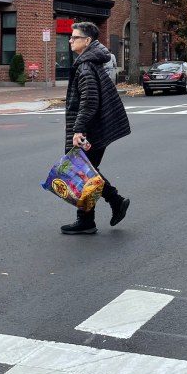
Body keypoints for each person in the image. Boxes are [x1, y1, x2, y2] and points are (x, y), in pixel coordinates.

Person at [61, 21, 131, 235]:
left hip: (90, 129)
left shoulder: (85, 66)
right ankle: (87, 219)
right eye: (71, 37)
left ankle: (114, 202)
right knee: (85, 173)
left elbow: (90, 101)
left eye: (75, 37)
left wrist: (79, 129)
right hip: (96, 127)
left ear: (87, 41)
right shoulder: (90, 62)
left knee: (82, 172)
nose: (70, 40)